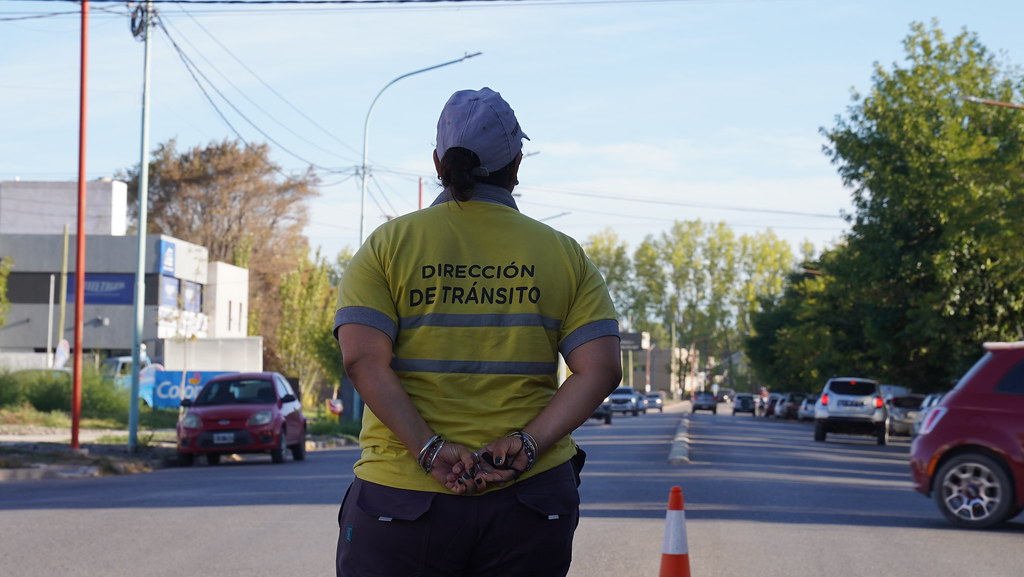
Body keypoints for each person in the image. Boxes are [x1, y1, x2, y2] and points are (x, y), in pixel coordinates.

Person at [333, 87, 622, 577]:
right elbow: (601, 369)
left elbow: (362, 360)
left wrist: (428, 450)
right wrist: (527, 445)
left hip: (401, 499)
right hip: (528, 502)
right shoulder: (562, 253)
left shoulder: (387, 245)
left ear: (437, 162)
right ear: (517, 162)